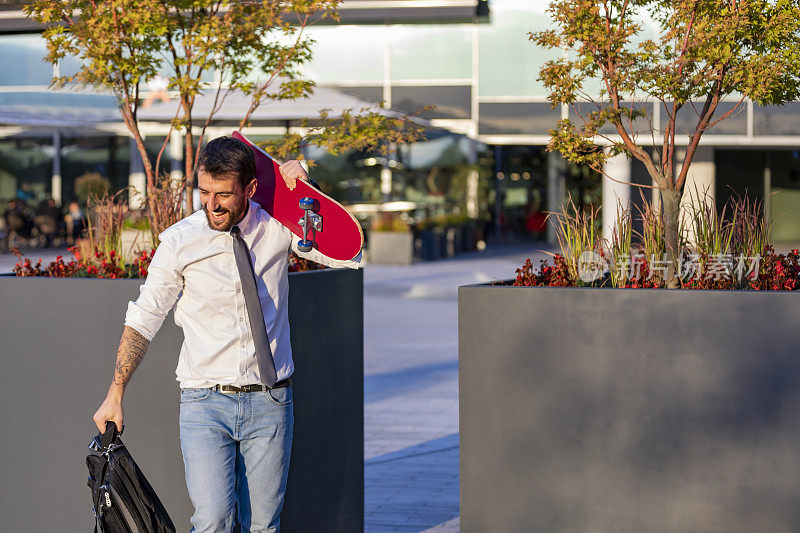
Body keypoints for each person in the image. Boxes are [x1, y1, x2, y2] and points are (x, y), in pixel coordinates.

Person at [92, 136, 361, 533]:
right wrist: (115, 393)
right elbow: (145, 315)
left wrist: (307, 193)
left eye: (223, 194)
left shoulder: (278, 228)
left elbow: (350, 253)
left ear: (250, 189)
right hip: (205, 403)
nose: (212, 205)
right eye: (204, 192)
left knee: (264, 525)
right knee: (212, 521)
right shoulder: (181, 241)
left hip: (270, 400)